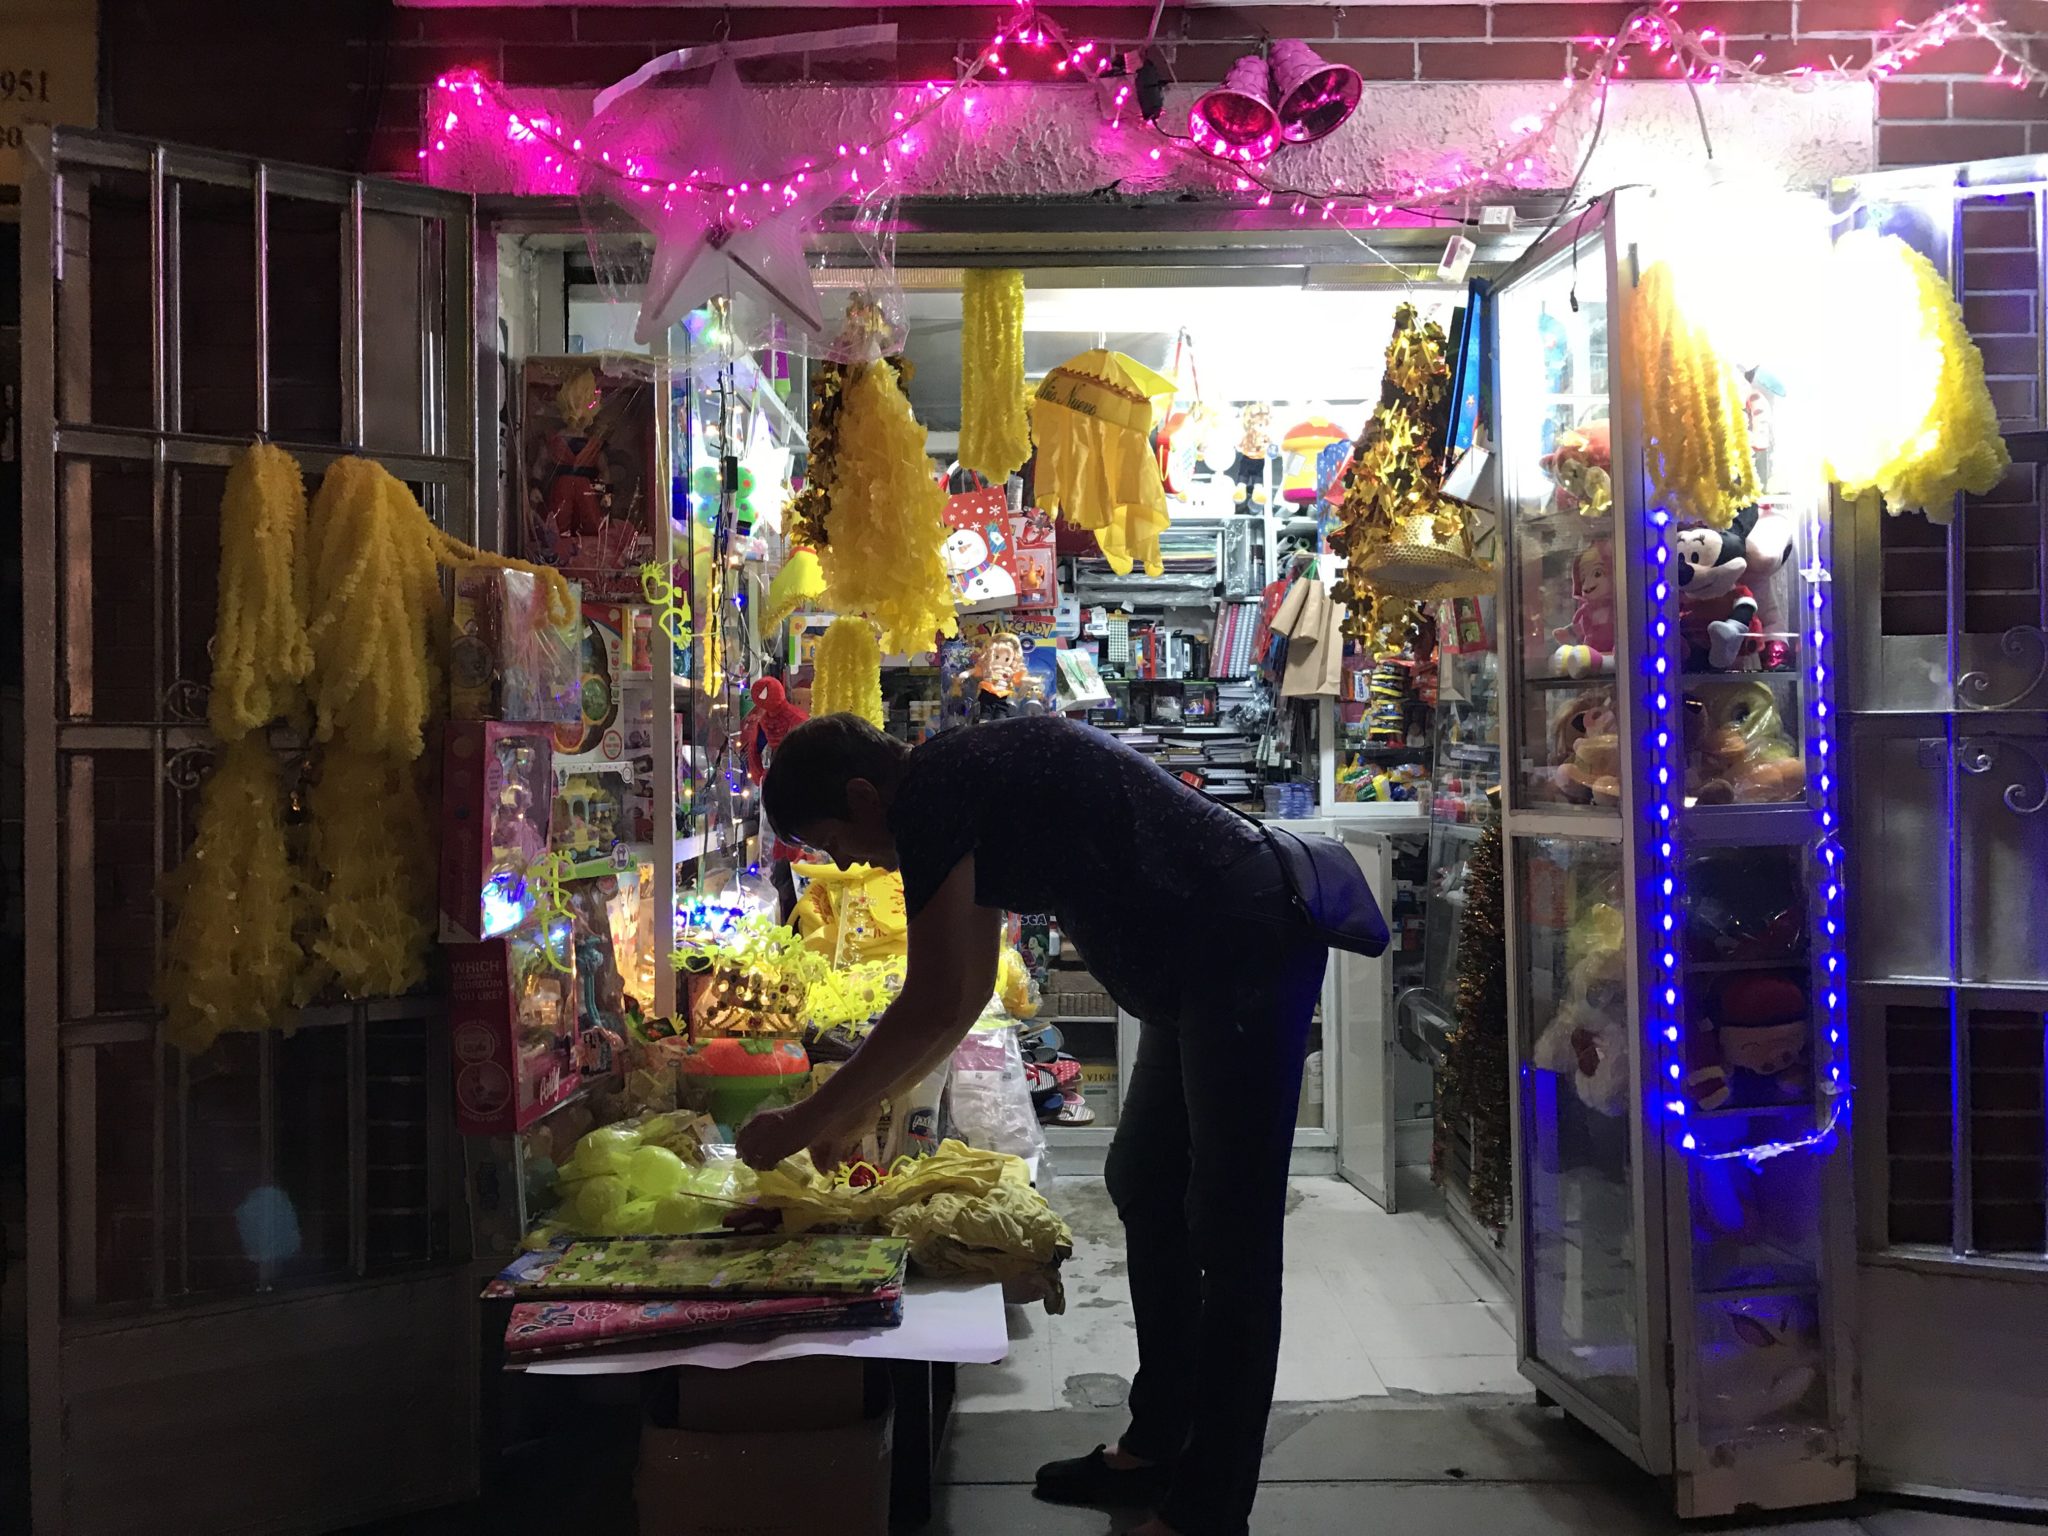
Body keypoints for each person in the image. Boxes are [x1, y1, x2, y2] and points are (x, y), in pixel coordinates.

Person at [736, 712, 1329, 1536]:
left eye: (833, 839)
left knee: (1231, 1231)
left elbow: (942, 998)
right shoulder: (946, 782)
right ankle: (1159, 1445)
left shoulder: (934, 792)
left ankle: (1209, 1508)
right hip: (1201, 964)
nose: (844, 863)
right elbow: (964, 986)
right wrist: (853, 1107)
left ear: (865, 794)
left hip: (1244, 944)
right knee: (1146, 1180)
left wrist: (806, 1120)